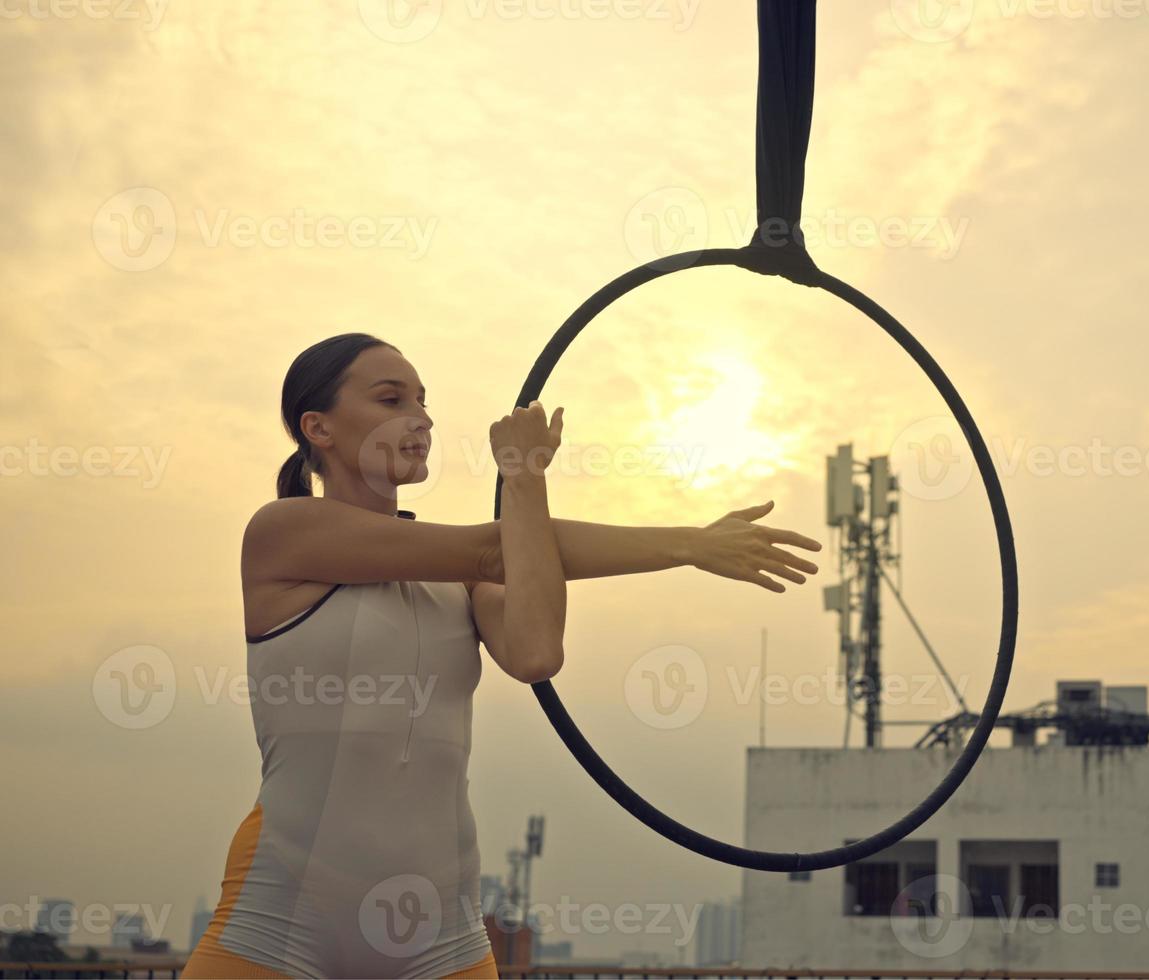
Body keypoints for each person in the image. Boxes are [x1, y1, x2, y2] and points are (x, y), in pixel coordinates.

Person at [181, 333, 822, 978]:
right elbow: (496, 548)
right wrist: (672, 537)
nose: (422, 418)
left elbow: (537, 650)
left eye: (424, 402)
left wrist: (684, 541)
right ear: (316, 427)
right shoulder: (283, 532)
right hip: (276, 929)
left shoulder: (459, 579)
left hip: (440, 941)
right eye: (391, 398)